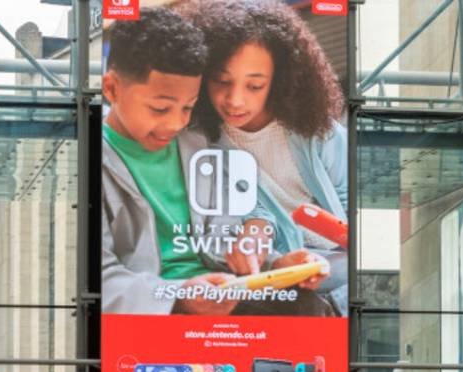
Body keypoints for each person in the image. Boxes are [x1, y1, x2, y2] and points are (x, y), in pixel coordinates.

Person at [99, 5, 323, 318]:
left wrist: (274, 265)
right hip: (150, 313)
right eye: (160, 109)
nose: (176, 124)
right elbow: (98, 278)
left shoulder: (202, 145)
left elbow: (227, 242)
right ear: (111, 89)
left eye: (188, 107)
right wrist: (179, 296)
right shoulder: (88, 160)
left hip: (224, 299)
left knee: (308, 307)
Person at [183, 0, 348, 246]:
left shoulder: (318, 130)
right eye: (221, 81)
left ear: (280, 80)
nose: (235, 100)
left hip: (334, 257)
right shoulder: (197, 142)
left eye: (255, 86)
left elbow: (349, 201)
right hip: (267, 263)